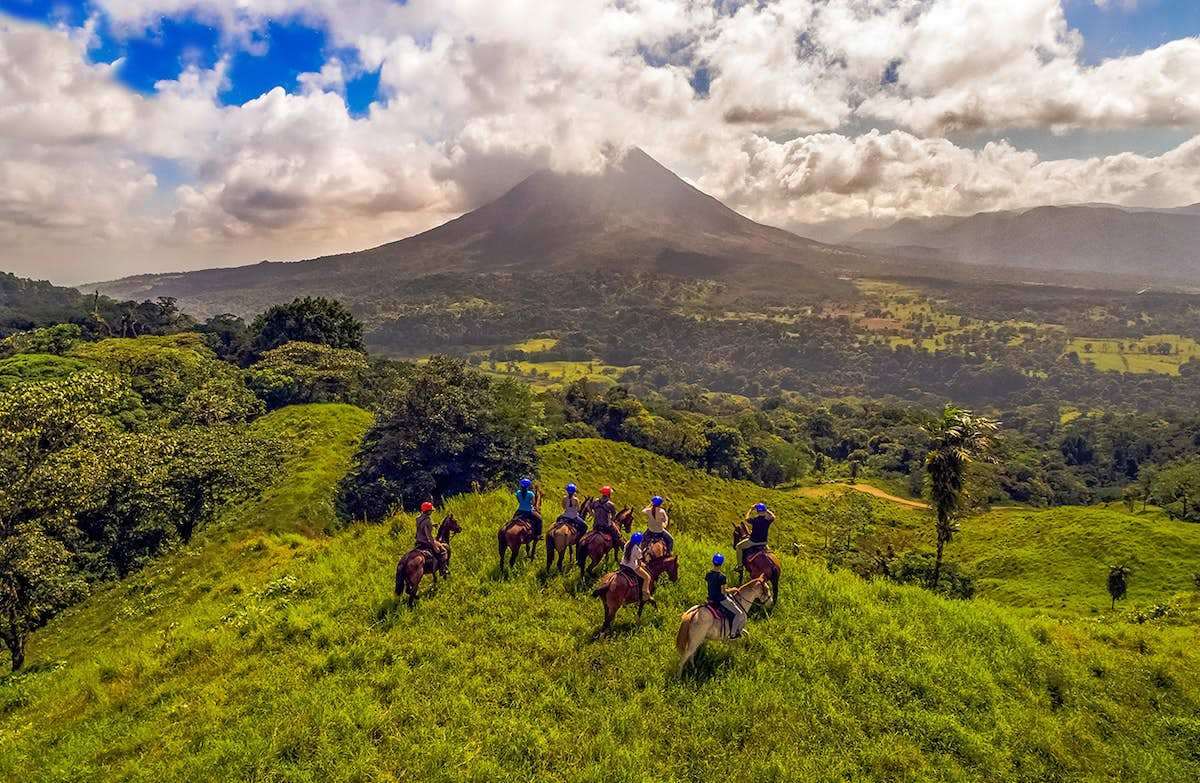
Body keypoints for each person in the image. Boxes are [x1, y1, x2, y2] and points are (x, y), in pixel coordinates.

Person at [706, 553, 746, 638]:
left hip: (710, 598)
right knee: (738, 613)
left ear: (713, 562)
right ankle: (733, 634)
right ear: (721, 563)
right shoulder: (722, 577)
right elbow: (723, 591)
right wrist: (733, 589)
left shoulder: (708, 574)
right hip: (720, 600)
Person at [736, 502, 775, 568]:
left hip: (753, 542)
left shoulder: (755, 520)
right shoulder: (768, 520)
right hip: (764, 542)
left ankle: (739, 566)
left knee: (738, 547)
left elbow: (746, 518)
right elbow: (773, 516)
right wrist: (766, 510)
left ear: (757, 511)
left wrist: (751, 509)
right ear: (764, 511)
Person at [620, 532, 654, 603]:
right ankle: (645, 595)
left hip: (623, 564)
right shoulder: (637, 550)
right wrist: (643, 564)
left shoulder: (627, 544)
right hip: (632, 567)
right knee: (647, 577)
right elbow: (639, 563)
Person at [415, 501, 448, 572]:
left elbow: (422, 526)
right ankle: (443, 570)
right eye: (431, 510)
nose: (431, 512)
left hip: (418, 541)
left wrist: (432, 525)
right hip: (425, 542)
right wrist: (435, 547)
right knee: (443, 551)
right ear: (428, 511)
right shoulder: (427, 521)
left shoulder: (418, 519)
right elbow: (429, 536)